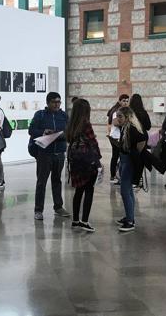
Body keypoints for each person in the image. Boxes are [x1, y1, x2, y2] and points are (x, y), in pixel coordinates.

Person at [29, 92, 70, 221]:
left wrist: (60, 135)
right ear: (48, 103)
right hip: (44, 154)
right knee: (41, 182)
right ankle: (38, 210)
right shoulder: (40, 115)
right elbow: (31, 131)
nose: (57, 104)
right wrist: (43, 132)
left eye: (59, 102)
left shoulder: (64, 116)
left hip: (59, 153)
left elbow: (69, 132)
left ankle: (58, 207)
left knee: (57, 181)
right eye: (54, 102)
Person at [66, 98, 101, 232]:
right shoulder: (86, 123)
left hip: (75, 161)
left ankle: (75, 220)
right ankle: (85, 221)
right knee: (89, 190)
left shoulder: (71, 123)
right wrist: (98, 161)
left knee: (79, 190)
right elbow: (93, 142)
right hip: (87, 161)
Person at [115, 106, 147, 232]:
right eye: (117, 116)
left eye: (120, 116)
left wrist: (134, 155)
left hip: (129, 161)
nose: (118, 119)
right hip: (124, 159)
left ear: (127, 117)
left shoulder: (133, 128)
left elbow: (142, 141)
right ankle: (129, 216)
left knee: (124, 191)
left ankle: (130, 221)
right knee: (128, 191)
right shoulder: (125, 127)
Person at [107, 95, 129, 184]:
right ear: (119, 101)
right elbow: (115, 123)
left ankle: (116, 174)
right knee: (116, 156)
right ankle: (113, 176)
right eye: (124, 100)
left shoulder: (122, 110)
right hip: (116, 137)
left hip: (118, 137)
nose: (125, 103)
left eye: (127, 101)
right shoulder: (117, 111)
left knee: (118, 156)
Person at [129, 94, 150, 188]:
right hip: (143, 138)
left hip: (132, 137)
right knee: (140, 159)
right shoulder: (144, 113)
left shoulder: (129, 112)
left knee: (132, 158)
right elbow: (148, 126)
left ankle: (132, 178)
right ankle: (137, 180)